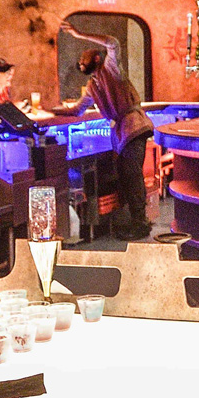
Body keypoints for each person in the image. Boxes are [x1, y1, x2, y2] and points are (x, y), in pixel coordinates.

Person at [62, 23, 154, 239]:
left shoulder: (111, 70)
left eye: (84, 57)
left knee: (132, 175)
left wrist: (79, 33)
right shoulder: (92, 86)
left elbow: (112, 43)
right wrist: (48, 111)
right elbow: (76, 110)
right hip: (121, 134)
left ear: (96, 58)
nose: (80, 61)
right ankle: (133, 221)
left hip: (134, 127)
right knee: (125, 177)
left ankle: (140, 224)